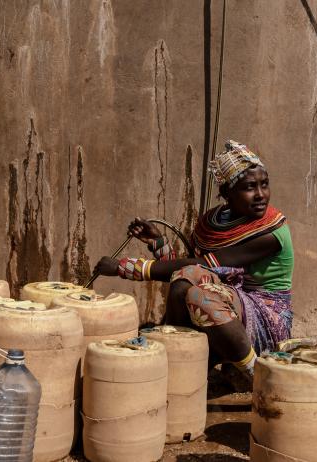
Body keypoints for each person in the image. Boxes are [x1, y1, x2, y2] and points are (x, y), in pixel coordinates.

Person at [95, 140, 294, 383]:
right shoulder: (214, 224)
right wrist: (158, 243)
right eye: (250, 187)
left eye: (264, 184)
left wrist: (125, 268)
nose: (261, 194)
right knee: (185, 286)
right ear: (226, 195)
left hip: (266, 316)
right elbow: (188, 269)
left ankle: (257, 377)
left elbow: (204, 265)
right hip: (230, 302)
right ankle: (183, 363)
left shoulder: (270, 234)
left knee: (199, 296)